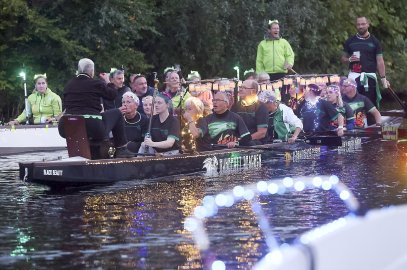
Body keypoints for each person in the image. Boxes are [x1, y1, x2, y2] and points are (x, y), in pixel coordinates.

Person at [58, 58, 134, 158]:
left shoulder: (68, 85)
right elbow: (112, 95)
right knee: (117, 113)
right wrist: (108, 82)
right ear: (92, 71)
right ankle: (121, 149)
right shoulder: (95, 83)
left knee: (97, 117)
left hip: (68, 126)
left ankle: (90, 150)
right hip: (92, 125)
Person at [341, 16, 390, 113]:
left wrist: (383, 78)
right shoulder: (350, 41)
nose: (360, 26)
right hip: (354, 78)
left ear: (368, 24)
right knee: (354, 103)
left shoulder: (375, 42)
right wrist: (349, 59)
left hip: (370, 77)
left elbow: (380, 61)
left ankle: (373, 124)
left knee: (371, 103)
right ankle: (355, 123)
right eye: (358, 24)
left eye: (363, 24)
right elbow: (342, 58)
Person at [187, 92, 251, 151]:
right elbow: (196, 134)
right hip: (212, 155)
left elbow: (247, 137)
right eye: (214, 100)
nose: (214, 102)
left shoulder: (236, 118)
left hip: (229, 155)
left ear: (226, 103)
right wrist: (190, 119)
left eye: (218, 100)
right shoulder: (207, 119)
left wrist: (236, 142)